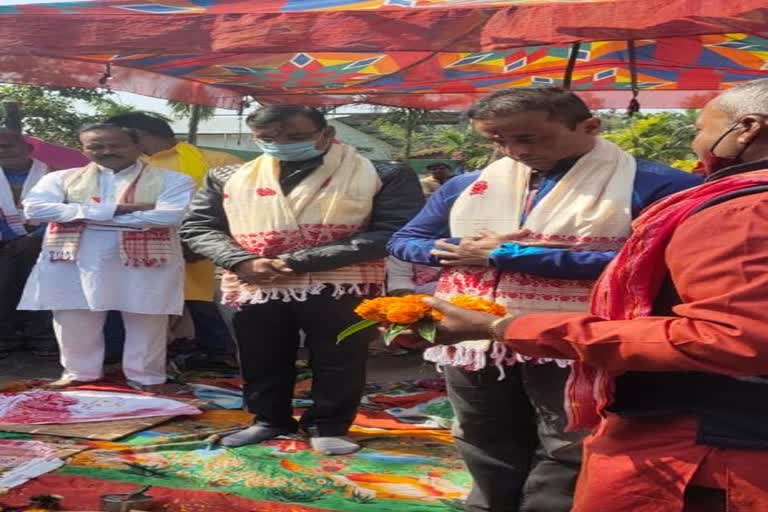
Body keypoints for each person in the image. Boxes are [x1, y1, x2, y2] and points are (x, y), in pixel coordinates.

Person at [421, 78, 768, 512]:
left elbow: (730, 338)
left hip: (710, 427)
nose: (514, 150)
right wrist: (456, 255)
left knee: (565, 442)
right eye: (497, 139)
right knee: (484, 431)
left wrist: (506, 311)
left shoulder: (736, 208)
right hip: (510, 342)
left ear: (747, 128)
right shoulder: (472, 185)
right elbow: (411, 237)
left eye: (699, 127)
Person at [179, 105, 423, 454]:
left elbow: (395, 230)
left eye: (295, 137)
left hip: (342, 281)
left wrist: (297, 261)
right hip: (254, 282)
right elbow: (199, 226)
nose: (281, 144)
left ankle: (329, 426)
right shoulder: (229, 176)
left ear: (326, 134)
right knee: (260, 355)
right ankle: (268, 420)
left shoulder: (383, 173)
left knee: (339, 356)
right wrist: (240, 260)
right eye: (267, 139)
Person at [18, 123, 195, 390]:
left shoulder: (173, 180)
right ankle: (79, 373)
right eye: (96, 146)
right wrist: (122, 210)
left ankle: (146, 377)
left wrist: (77, 213)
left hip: (146, 262)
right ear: (84, 149)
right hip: (73, 260)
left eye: (116, 145)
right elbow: (35, 210)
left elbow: (170, 216)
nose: (107, 151)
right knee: (73, 318)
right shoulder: (60, 178)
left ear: (138, 146)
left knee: (147, 320)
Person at [104, 113, 242, 366]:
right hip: (130, 247)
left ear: (139, 135)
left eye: (117, 140)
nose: (109, 148)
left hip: (197, 245)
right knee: (126, 298)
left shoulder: (217, 161)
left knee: (199, 298)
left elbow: (239, 204)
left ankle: (220, 351)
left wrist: (203, 239)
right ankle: (118, 351)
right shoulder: (121, 166)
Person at [0, 129, 57, 358]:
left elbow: (66, 207)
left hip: (45, 242)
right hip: (4, 245)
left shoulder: (53, 175)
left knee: (43, 289)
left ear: (27, 148)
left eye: (8, 145)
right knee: (3, 288)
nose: (2, 151)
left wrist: (36, 237)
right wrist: (11, 237)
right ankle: (5, 338)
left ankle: (43, 338)